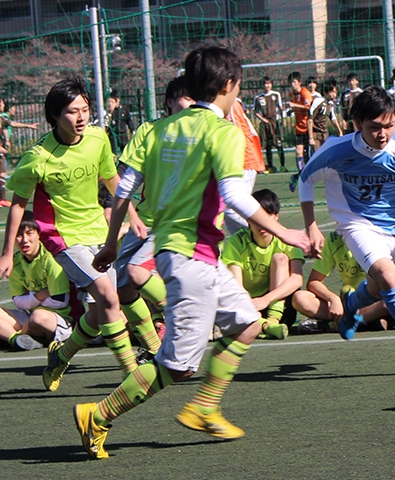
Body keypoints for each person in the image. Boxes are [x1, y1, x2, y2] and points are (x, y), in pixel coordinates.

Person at [74, 46, 310, 460]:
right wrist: (284, 232)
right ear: (229, 86)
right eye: (237, 87)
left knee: (248, 323)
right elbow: (235, 193)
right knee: (179, 364)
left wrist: (113, 242)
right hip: (190, 258)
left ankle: (205, 405)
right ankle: (98, 414)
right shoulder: (223, 132)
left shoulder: (156, 129)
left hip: (187, 254)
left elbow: (124, 188)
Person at [0, 75, 148, 392]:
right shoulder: (37, 158)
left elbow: (111, 179)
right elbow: (17, 205)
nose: (80, 117)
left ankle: (61, 355)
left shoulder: (98, 138)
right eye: (71, 111)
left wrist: (133, 215)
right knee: (110, 296)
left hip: (97, 230)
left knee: (97, 313)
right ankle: (132, 373)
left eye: (84, 109)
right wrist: (7, 252)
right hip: (63, 237)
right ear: (55, 115)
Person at [299, 84, 395, 362]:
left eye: (389, 125)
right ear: (357, 124)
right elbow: (305, 181)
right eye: (374, 127)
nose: (383, 134)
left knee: (374, 287)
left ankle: (350, 310)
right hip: (356, 222)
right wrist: (311, 226)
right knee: (390, 277)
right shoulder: (336, 149)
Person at [114, 75, 195, 364]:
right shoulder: (148, 132)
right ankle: (152, 346)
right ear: (169, 103)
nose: (191, 107)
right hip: (144, 221)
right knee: (122, 286)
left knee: (136, 273)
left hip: (175, 223)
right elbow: (123, 180)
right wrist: (129, 218)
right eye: (185, 99)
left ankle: (179, 319)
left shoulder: (204, 134)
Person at [222, 189, 304, 339]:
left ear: (276, 216)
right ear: (247, 218)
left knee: (280, 258)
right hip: (248, 307)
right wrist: (252, 306)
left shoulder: (288, 238)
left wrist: (266, 300)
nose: (262, 222)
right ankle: (265, 325)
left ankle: (272, 320)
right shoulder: (236, 242)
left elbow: (297, 278)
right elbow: (236, 286)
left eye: (268, 215)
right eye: (257, 216)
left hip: (280, 307)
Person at [292, 230, 392, 334]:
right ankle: (365, 321)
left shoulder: (378, 237)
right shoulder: (333, 239)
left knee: (389, 303)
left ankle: (335, 325)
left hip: (375, 301)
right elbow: (314, 282)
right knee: (300, 298)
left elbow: (394, 282)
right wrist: (334, 299)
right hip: (347, 304)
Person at [0, 211, 73, 351]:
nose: (24, 240)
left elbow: (59, 301)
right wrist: (40, 295)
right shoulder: (16, 262)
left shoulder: (51, 258)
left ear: (39, 234)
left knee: (38, 317)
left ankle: (17, 335)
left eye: (29, 233)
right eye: (18, 235)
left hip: (60, 320)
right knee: (34, 317)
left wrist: (32, 298)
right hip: (30, 316)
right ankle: (16, 340)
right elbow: (18, 302)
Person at [224, 97, 266, 234]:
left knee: (231, 207)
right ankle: (245, 250)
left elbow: (237, 133)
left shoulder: (230, 104)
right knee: (228, 214)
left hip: (243, 161)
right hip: (234, 163)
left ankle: (267, 235)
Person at [286, 71, 313, 192]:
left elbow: (308, 107)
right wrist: (290, 111)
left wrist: (294, 105)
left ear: (299, 82)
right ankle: (301, 174)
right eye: (290, 82)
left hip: (309, 128)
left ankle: (308, 173)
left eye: (294, 82)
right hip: (299, 128)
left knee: (310, 153)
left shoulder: (305, 93)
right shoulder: (291, 94)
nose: (292, 84)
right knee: (299, 151)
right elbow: (295, 108)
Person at [253, 76, 286, 173]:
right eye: (265, 84)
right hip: (265, 124)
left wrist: (281, 120)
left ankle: (282, 166)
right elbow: (255, 112)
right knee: (268, 146)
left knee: (279, 144)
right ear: (263, 85)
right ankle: (271, 166)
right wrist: (263, 119)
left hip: (275, 123)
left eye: (269, 83)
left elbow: (281, 108)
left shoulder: (276, 95)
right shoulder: (258, 97)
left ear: (271, 84)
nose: (267, 86)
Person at [309, 82, 343, 150]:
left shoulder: (330, 103)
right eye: (332, 92)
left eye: (335, 92)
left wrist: (339, 131)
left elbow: (333, 118)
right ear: (325, 92)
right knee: (317, 156)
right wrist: (311, 138)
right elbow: (310, 119)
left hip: (325, 133)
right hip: (316, 134)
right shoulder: (318, 101)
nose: (334, 95)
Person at [106, 90, 137, 155]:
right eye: (109, 102)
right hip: (113, 136)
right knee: (113, 154)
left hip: (123, 135)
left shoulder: (124, 110)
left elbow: (129, 120)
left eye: (112, 102)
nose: (110, 104)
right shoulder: (108, 113)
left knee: (126, 153)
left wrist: (132, 130)